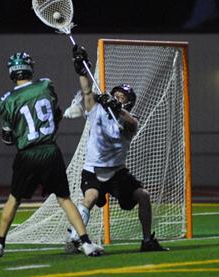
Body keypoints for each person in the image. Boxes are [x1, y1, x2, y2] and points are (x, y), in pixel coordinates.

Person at [0, 52, 103, 258]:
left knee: (14, 200)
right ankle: (86, 243)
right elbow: (55, 114)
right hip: (50, 151)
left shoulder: (6, 101)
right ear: (29, 68)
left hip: (27, 154)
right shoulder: (45, 86)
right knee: (64, 199)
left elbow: (7, 138)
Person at [65, 45, 169, 253]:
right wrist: (83, 71)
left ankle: (147, 240)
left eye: (123, 97)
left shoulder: (130, 122)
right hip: (93, 168)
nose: (118, 98)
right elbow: (87, 93)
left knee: (143, 196)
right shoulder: (97, 111)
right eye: (116, 95)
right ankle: (74, 239)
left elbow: (130, 122)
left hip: (117, 172)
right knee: (90, 197)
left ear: (129, 103)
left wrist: (117, 108)